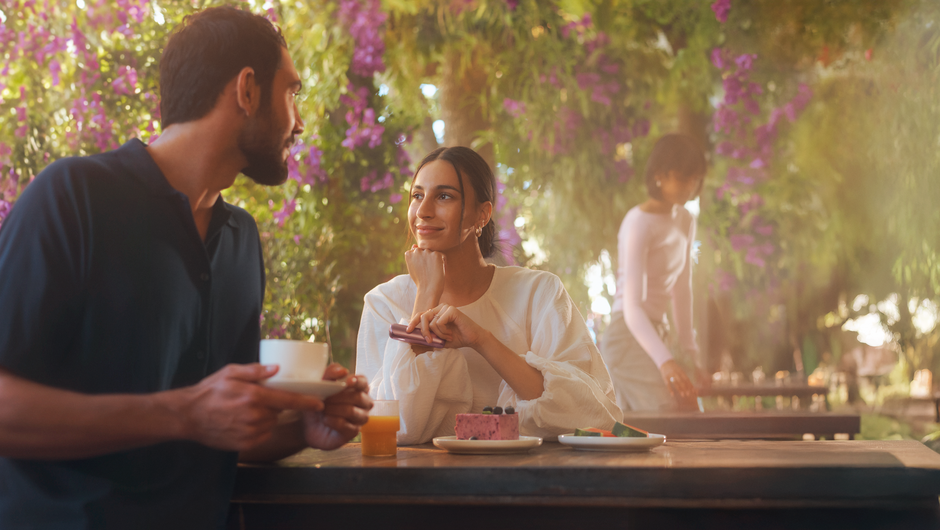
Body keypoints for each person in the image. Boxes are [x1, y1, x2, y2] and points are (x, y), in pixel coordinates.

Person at [0, 7, 371, 529]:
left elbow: (219, 427)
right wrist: (184, 411)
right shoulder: (72, 197)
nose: (300, 121)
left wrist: (303, 427)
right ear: (247, 90)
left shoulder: (241, 240)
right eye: (292, 92)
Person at [356, 146, 621, 444]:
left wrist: (481, 340)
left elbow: (591, 415)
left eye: (444, 196)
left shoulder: (538, 293)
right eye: (417, 195)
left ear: (482, 214)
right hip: (423, 483)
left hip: (531, 480)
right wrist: (426, 295)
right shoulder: (383, 303)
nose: (423, 211)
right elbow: (397, 430)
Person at [600, 133, 706, 412]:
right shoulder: (637, 223)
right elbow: (632, 306)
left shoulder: (685, 219)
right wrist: (665, 361)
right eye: (683, 178)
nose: (690, 187)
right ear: (659, 175)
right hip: (627, 335)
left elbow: (682, 290)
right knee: (674, 416)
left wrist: (691, 354)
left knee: (689, 411)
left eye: (695, 179)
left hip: (657, 333)